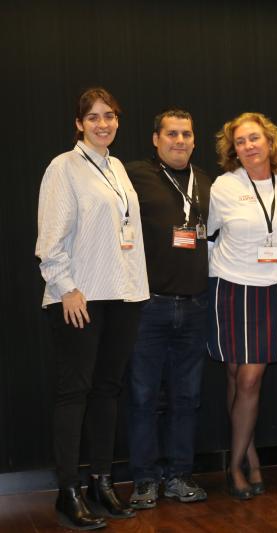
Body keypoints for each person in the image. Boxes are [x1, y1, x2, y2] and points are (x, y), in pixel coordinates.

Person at [35, 87, 148, 530]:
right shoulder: (63, 167)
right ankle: (68, 491)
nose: (104, 124)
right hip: (79, 297)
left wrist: (136, 290)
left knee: (107, 391)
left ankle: (102, 483)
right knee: (74, 393)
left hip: (122, 294)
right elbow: (50, 238)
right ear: (79, 124)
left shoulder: (116, 167)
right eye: (94, 117)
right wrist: (66, 287)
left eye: (110, 116)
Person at [208, 112, 277, 499]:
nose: (248, 146)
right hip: (232, 288)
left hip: (274, 289)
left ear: (270, 141)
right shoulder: (224, 186)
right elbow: (210, 236)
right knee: (235, 376)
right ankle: (246, 459)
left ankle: (238, 462)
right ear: (233, 150)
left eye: (254, 138)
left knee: (248, 380)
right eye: (240, 142)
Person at [125, 109, 211, 509]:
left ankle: (179, 476)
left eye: (186, 134)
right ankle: (144, 480)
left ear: (194, 140)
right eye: (172, 134)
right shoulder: (134, 176)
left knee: (187, 398)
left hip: (194, 307)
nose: (180, 140)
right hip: (149, 308)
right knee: (143, 397)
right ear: (155, 139)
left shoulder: (206, 182)